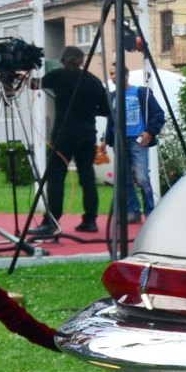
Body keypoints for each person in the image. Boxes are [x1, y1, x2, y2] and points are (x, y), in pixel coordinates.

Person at [32, 45, 110, 237]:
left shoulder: (58, 76)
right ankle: (90, 220)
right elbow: (107, 110)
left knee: (56, 177)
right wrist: (90, 109)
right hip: (87, 135)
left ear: (63, 59)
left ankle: (52, 221)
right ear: (82, 60)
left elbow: (34, 85)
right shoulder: (93, 81)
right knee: (87, 177)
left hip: (63, 135)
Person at [107, 64, 165, 223]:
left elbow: (159, 114)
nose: (113, 76)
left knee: (141, 177)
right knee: (124, 178)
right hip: (119, 141)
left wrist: (149, 132)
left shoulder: (141, 93)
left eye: (116, 73)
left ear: (126, 75)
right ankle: (133, 211)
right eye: (111, 73)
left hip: (137, 140)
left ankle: (150, 211)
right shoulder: (111, 96)